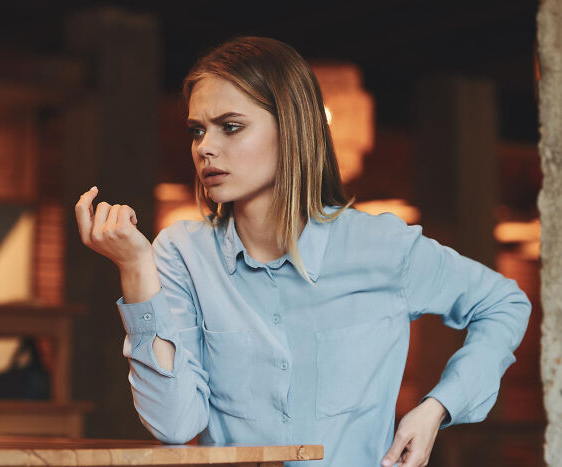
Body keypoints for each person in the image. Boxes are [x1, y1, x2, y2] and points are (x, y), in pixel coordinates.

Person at [74, 36, 531, 467]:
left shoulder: (384, 246)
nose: (205, 148)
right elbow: (175, 425)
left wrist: (438, 407)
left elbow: (504, 303)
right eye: (197, 131)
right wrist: (135, 269)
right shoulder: (181, 254)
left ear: (291, 127)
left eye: (230, 127)